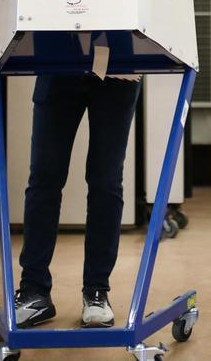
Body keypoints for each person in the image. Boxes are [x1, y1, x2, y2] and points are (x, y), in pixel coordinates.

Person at [13, 72, 140, 328]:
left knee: (105, 181)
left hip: (117, 71)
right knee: (44, 179)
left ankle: (96, 292)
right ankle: (33, 291)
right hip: (58, 67)